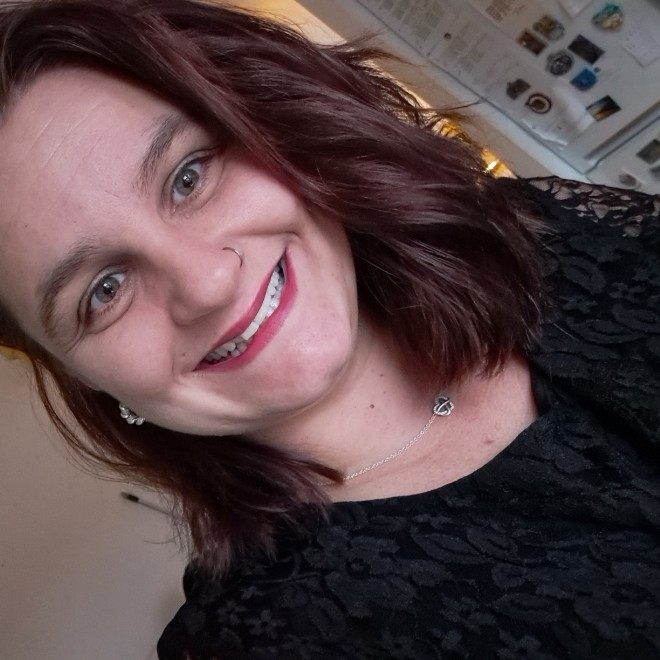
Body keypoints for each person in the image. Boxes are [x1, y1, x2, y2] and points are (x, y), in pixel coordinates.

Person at [0, 0, 657, 657]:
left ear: (272, 123)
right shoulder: (261, 642)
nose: (208, 282)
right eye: (105, 290)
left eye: (187, 177)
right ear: (81, 375)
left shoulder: (539, 231)